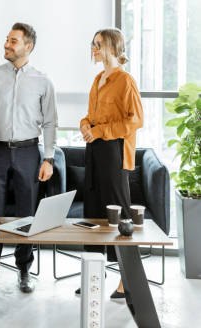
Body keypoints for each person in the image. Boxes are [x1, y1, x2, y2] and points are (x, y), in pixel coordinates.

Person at [0, 22, 57, 293]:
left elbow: (51, 123)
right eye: (7, 40)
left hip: (29, 152)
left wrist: (49, 158)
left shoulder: (43, 81)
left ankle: (24, 269)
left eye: (13, 41)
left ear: (28, 46)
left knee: (26, 213)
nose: (6, 45)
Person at [78, 28, 143, 298]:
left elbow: (135, 120)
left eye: (98, 44)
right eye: (92, 43)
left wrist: (101, 131)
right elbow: (91, 116)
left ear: (113, 48)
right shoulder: (97, 79)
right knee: (93, 214)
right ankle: (94, 277)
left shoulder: (125, 80)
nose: (93, 48)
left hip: (114, 151)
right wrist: (84, 124)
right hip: (93, 151)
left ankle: (128, 280)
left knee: (120, 216)